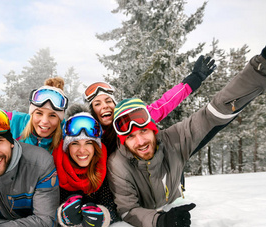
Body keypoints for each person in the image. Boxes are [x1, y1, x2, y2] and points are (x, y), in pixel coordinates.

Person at [107, 2, 266, 227]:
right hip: (152, 191)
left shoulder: (170, 139)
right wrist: (160, 222)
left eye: (143, 131)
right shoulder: (118, 163)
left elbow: (212, 111)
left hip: (172, 156)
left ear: (153, 128)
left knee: (216, 120)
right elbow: (128, 209)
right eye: (129, 136)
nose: (139, 140)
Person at [82, 54, 216, 156]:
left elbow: (165, 103)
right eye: (97, 104)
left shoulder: (134, 118)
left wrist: (194, 79)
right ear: (93, 111)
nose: (104, 106)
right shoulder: (87, 133)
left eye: (108, 101)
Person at [52, 105, 120, 227]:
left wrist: (103, 216)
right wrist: (62, 214)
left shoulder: (103, 166)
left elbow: (111, 204)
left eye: (88, 143)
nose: (82, 150)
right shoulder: (54, 166)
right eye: (75, 143)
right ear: (67, 147)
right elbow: (46, 207)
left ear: (96, 147)